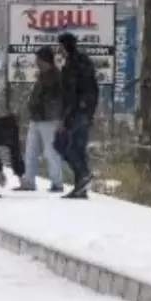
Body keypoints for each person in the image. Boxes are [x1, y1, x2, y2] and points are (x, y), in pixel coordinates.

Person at [14, 46, 65, 193]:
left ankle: (57, 183)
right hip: (36, 119)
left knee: (51, 152)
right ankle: (28, 181)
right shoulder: (42, 76)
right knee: (31, 151)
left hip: (50, 119)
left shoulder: (56, 77)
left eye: (38, 59)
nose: (36, 62)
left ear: (45, 60)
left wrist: (60, 117)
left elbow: (61, 99)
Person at [57, 32, 99, 199]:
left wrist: (66, 116)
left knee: (66, 147)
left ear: (66, 46)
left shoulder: (75, 65)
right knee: (78, 149)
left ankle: (84, 174)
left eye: (60, 46)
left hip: (78, 112)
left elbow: (73, 94)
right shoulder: (76, 63)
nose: (58, 49)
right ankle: (80, 188)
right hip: (80, 112)